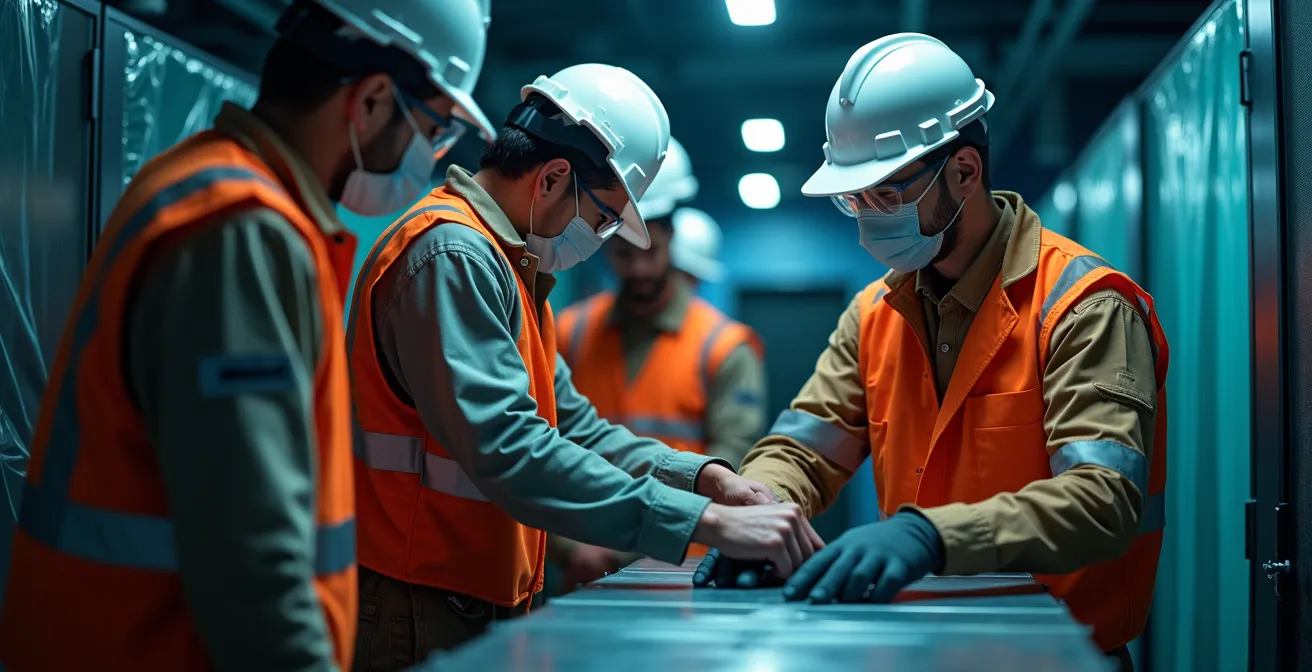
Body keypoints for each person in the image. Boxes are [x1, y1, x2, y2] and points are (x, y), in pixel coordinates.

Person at [0, 1, 496, 669]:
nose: (430, 156)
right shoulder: (244, 231)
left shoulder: (217, 190)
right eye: (433, 129)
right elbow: (254, 561)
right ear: (373, 100)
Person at [693, 33, 1168, 671]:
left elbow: (1101, 500)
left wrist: (930, 535)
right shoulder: (873, 315)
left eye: (885, 193)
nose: (866, 217)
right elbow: (802, 450)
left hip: (1058, 654)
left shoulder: (1084, 306)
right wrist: (760, 514)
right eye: (852, 199)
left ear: (965, 172)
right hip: (919, 647)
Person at [347, 64, 820, 667]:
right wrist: (704, 522)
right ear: (552, 178)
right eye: (604, 218)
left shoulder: (513, 269)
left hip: (464, 593)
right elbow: (511, 449)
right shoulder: (453, 257)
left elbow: (578, 429)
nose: (602, 237)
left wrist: (706, 479)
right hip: (414, 601)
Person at [550, 142, 767, 585]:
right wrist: (566, 547)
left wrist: (641, 535)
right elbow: (539, 447)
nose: (639, 269)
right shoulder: (569, 331)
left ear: (672, 239)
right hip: (580, 563)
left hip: (682, 564)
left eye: (650, 252)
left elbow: (731, 463)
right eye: (624, 255)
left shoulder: (724, 346)